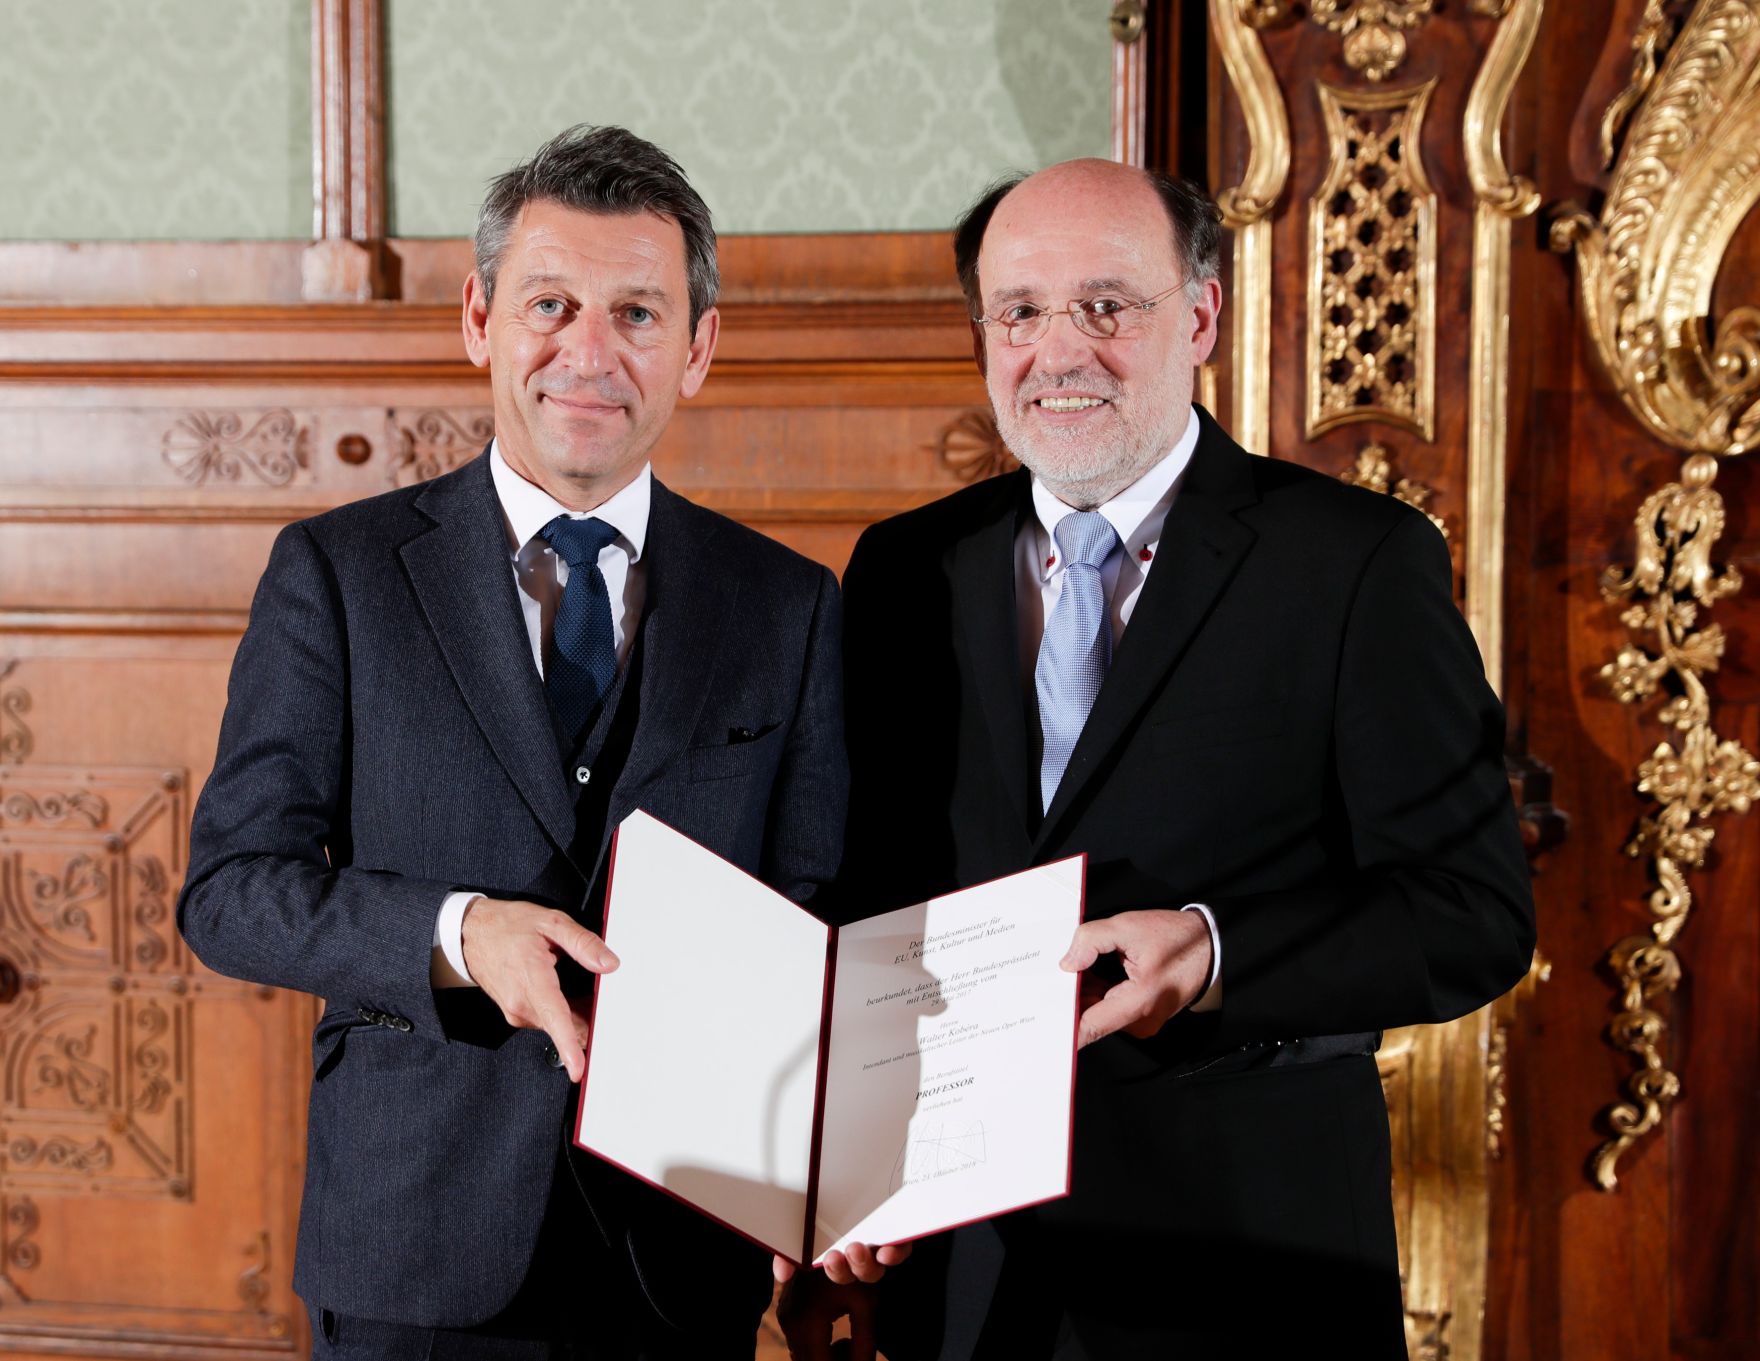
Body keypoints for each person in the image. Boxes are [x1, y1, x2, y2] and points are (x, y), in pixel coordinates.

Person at [778, 158, 1535, 1359]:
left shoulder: (1353, 561)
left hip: (1246, 1264)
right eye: (1019, 312)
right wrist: (823, 1168)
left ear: (1199, 317)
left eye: (1105, 306)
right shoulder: (903, 567)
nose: (1057, 350)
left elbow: (1471, 911)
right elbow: (867, 890)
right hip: (963, 1267)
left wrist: (1216, 948)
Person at [177, 125, 847, 1360]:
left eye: (637, 312)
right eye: (551, 303)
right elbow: (229, 895)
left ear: (695, 348)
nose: (588, 352)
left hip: (681, 1253)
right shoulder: (338, 575)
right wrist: (454, 931)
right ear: (480, 318)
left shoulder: (788, 606)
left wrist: (838, 1169)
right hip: (412, 1242)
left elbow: (813, 914)